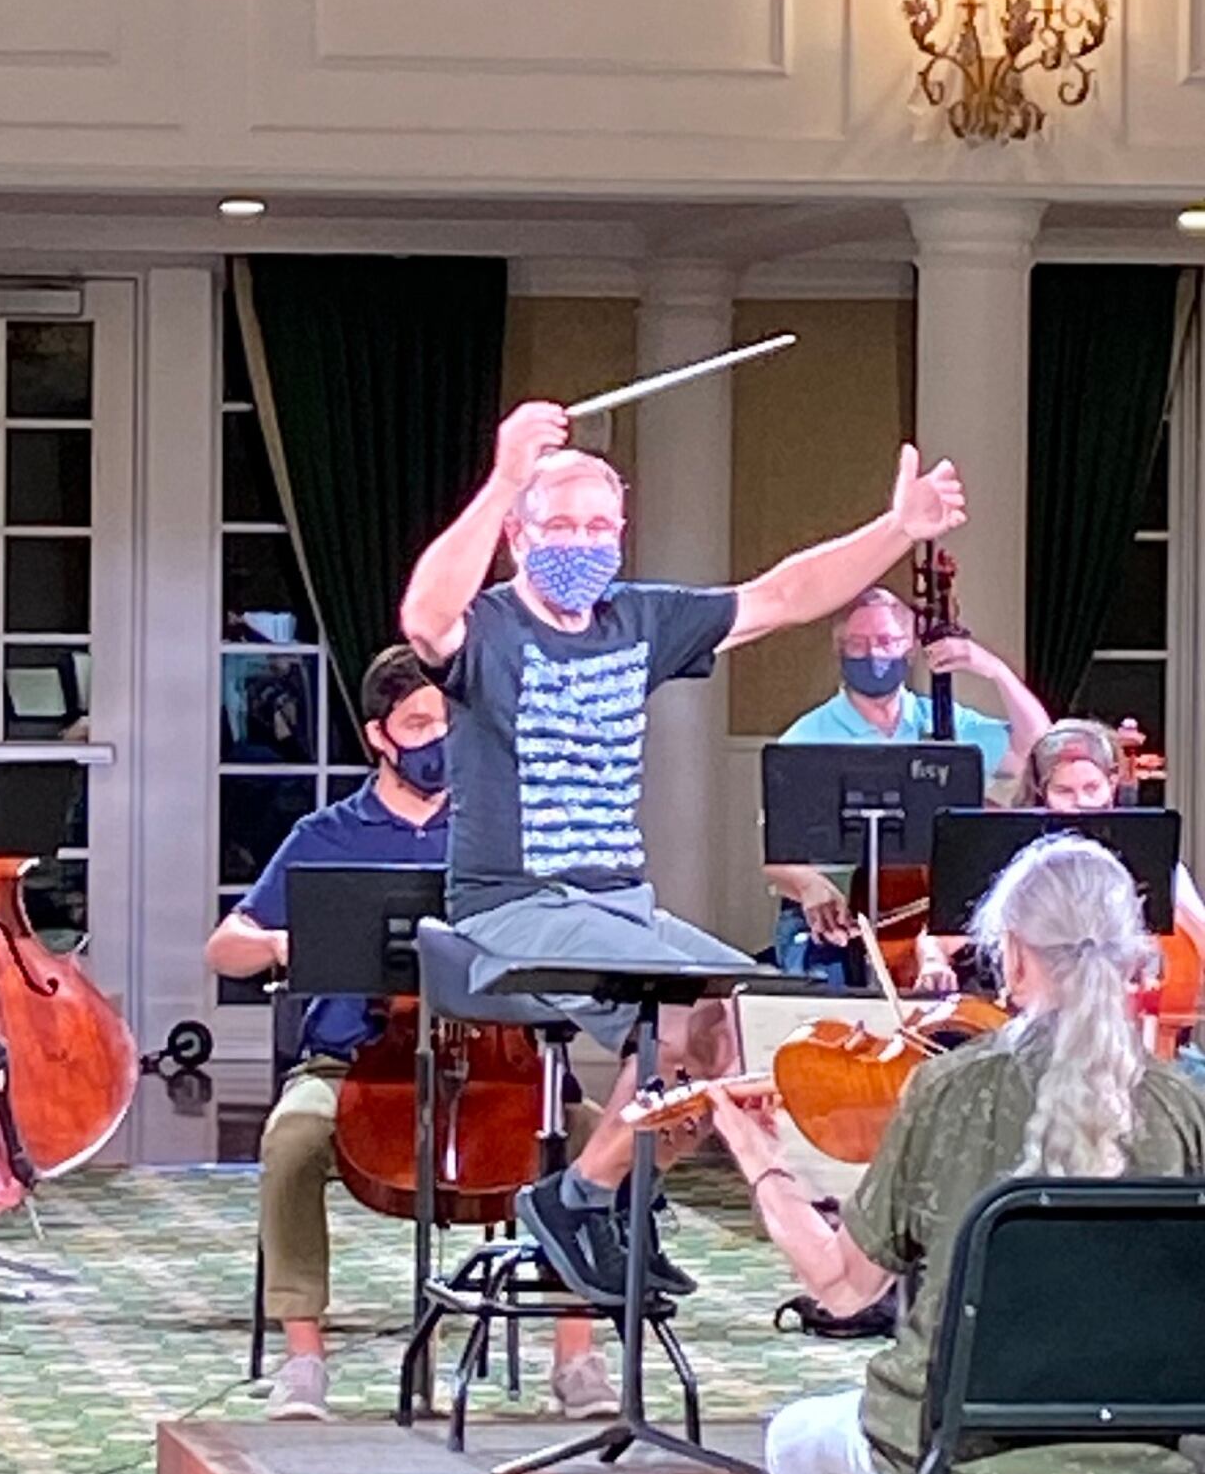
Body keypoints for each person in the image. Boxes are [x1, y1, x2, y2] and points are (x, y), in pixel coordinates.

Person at [400, 402, 967, 1305]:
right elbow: (424, 616)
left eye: (599, 527)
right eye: (560, 526)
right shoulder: (493, 626)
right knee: (673, 1016)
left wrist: (897, 527)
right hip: (515, 901)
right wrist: (507, 470)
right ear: (518, 536)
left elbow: (783, 594)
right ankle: (581, 1201)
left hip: (622, 900)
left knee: (728, 1024)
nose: (582, 543)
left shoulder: (641, 619)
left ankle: (607, 1195)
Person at [709, 833, 1205, 1474]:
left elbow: (842, 1288)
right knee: (1124, 1470)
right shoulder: (1184, 1104)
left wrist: (759, 1159)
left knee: (799, 1450)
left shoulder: (947, 1089)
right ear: (1132, 954)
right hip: (1148, 1432)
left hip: (955, 1439)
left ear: (1012, 957)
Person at [205, 644, 613, 1421]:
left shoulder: (504, 828)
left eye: (451, 722)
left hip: (501, 1063)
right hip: (355, 1063)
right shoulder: (327, 834)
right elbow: (225, 945)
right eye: (419, 722)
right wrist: (293, 942)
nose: (439, 739)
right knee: (292, 1138)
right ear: (379, 736)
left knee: (597, 1139)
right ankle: (303, 1360)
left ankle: (577, 1354)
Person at [765, 587, 1050, 983]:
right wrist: (808, 883)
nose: (873, 655)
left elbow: (1040, 748)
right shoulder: (805, 737)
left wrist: (994, 670)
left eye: (886, 642)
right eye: (858, 644)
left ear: (910, 647)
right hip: (833, 915)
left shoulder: (941, 721)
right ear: (839, 650)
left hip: (930, 914)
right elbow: (777, 852)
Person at [909, 716, 1205, 996]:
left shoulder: (1151, 858)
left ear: (1112, 783)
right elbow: (939, 937)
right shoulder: (1017, 862)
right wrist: (934, 962)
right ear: (1042, 791)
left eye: (1092, 788)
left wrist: (1170, 902)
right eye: (1065, 791)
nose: (1081, 804)